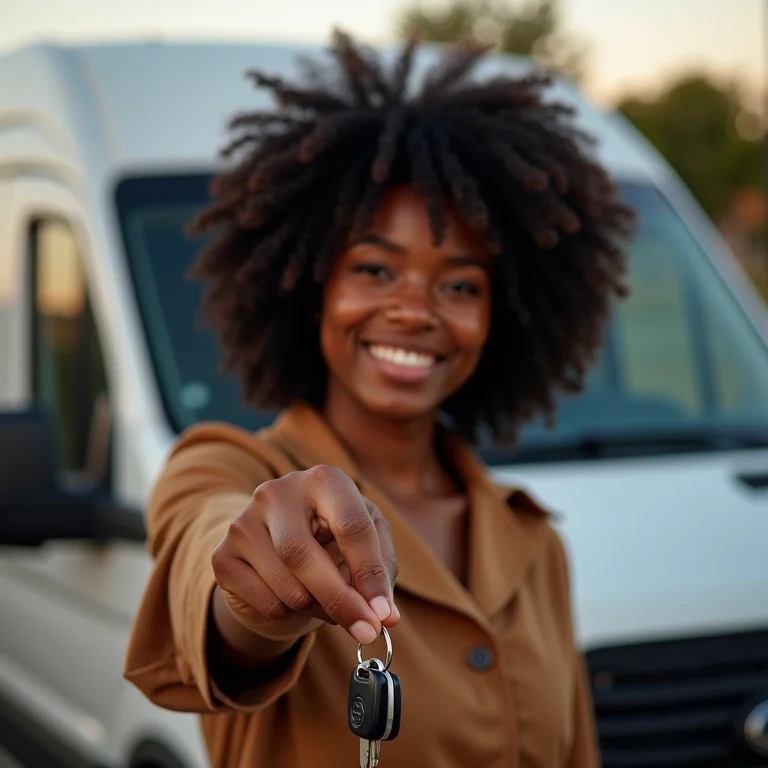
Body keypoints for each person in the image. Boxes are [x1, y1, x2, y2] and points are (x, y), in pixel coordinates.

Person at [123, 30, 632, 768]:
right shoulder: (229, 470)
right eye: (374, 270)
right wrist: (258, 596)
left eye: (460, 284)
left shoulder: (534, 542)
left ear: (501, 318)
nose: (416, 310)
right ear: (312, 291)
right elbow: (209, 546)